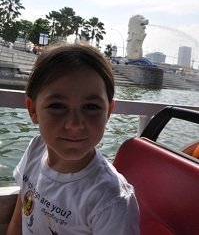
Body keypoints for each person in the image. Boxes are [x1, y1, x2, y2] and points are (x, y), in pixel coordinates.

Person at [7, 43, 140, 235]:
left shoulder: (111, 200)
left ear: (108, 112)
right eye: (58, 106)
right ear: (33, 110)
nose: (75, 124)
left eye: (91, 107)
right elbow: (21, 213)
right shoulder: (36, 148)